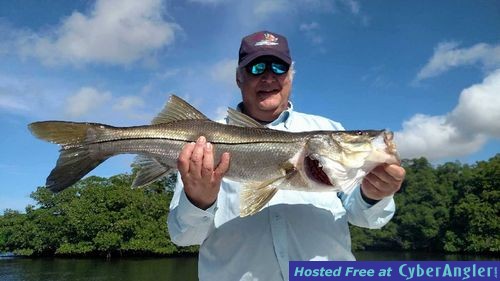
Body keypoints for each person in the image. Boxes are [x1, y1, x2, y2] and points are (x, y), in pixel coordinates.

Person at [167, 30, 405, 281]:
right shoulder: (201, 142)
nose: (269, 76)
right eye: (257, 67)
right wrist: (198, 201)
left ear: (291, 75)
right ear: (239, 77)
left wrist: (373, 195)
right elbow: (183, 237)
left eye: (279, 67)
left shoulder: (330, 128)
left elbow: (368, 219)